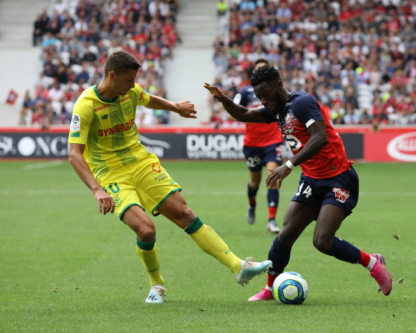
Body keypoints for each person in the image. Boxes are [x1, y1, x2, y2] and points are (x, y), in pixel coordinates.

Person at [68, 50, 272, 304]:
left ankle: (239, 267)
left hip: (142, 163)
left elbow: (148, 99)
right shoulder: (85, 105)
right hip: (111, 175)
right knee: (146, 231)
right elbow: (75, 154)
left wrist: (176, 107)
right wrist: (97, 190)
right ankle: (156, 285)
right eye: (129, 80)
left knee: (185, 214)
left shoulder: (129, 92)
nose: (133, 85)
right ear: (112, 75)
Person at [204, 65, 392, 302]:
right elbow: (243, 114)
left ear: (279, 86)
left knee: (322, 241)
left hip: (338, 177)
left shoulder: (302, 103)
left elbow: (320, 137)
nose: (263, 101)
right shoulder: (276, 109)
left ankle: (373, 263)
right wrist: (223, 99)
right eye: (259, 97)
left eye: (266, 95)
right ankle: (270, 289)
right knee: (286, 233)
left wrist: (288, 165)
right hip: (312, 179)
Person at [233, 58, 284, 233]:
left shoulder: (276, 90)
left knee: (273, 177)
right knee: (254, 182)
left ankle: (271, 221)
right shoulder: (246, 92)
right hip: (253, 143)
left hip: (273, 141)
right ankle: (252, 204)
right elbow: (234, 111)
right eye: (257, 70)